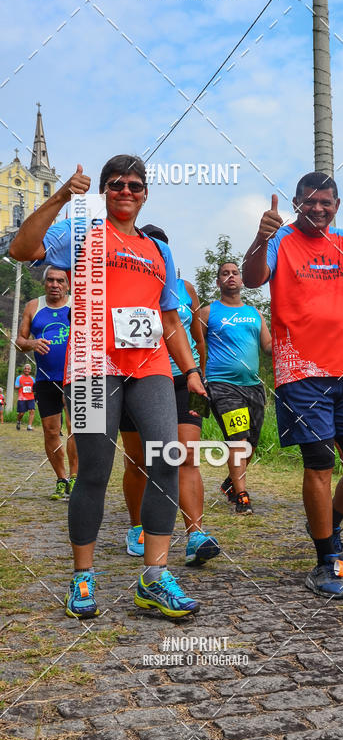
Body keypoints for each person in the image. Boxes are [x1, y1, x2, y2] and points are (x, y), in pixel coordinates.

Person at [9, 156, 207, 620]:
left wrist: (191, 370)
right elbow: (21, 249)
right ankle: (83, 575)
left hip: (152, 366)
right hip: (94, 367)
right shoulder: (80, 233)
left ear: (145, 193)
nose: (126, 191)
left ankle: (154, 577)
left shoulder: (159, 249)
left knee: (166, 460)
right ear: (103, 191)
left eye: (135, 185)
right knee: (95, 470)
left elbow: (171, 317)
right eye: (116, 184)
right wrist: (60, 196)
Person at [243, 173, 343, 600]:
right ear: (296, 203)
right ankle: (326, 559)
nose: (317, 208)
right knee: (319, 465)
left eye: (326, 202)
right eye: (309, 202)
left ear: (336, 205)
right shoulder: (280, 239)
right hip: (302, 374)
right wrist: (259, 238)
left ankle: (329, 520)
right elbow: (255, 278)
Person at [121, 223, 220, 567]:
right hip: (140, 378)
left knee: (185, 456)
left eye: (163, 249)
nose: (158, 255)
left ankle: (195, 535)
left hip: (184, 381)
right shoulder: (128, 279)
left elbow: (196, 334)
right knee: (140, 461)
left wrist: (199, 373)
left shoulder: (185, 289)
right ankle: (137, 527)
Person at [199, 261, 271, 515]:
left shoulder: (254, 313)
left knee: (250, 444)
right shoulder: (208, 312)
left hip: (253, 387)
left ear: (242, 280)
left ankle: (231, 483)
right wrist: (197, 377)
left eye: (235, 273)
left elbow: (269, 347)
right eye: (225, 274)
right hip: (222, 385)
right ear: (218, 282)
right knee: (238, 440)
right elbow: (197, 346)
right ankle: (242, 496)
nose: (231, 276)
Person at [16, 266, 78, 500]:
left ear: (67, 284)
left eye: (60, 281)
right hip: (45, 379)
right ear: (45, 283)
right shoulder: (34, 306)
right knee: (51, 432)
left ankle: (75, 477)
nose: (55, 285)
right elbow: (20, 340)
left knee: (75, 429)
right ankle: (61, 479)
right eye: (50, 280)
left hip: (75, 376)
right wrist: (32, 344)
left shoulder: (77, 304)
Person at [15, 364, 35, 431]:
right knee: (21, 413)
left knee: (32, 411)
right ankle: (18, 421)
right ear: (23, 370)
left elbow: (34, 387)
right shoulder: (19, 377)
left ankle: (29, 426)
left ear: (30, 370)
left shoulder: (32, 378)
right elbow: (16, 387)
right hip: (22, 398)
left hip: (31, 397)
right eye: (26, 369)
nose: (27, 370)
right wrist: (20, 386)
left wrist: (33, 389)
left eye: (28, 369)